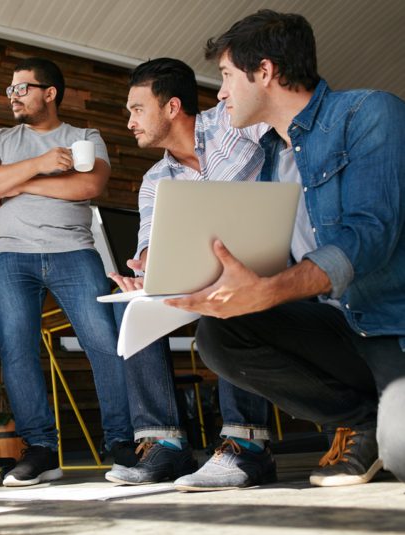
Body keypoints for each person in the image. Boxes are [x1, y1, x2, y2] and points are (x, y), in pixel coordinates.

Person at [166, 10, 405, 491]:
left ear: (266, 72)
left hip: (389, 329)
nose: (221, 93)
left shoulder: (370, 113)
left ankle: (388, 426)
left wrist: (272, 290)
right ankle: (366, 422)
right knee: (220, 333)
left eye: (228, 77)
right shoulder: (275, 155)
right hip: (339, 330)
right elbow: (284, 261)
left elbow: (370, 234)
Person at [104, 58, 273, 486]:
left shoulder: (235, 121)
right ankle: (165, 446)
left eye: (137, 110)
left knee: (234, 292)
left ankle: (246, 446)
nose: (129, 122)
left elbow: (286, 143)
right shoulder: (154, 180)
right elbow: (150, 242)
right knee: (131, 306)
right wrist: (145, 268)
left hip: (263, 265)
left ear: (173, 106)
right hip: (194, 278)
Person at [0, 57, 133, 487]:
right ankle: (40, 451)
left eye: (21, 88)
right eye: (10, 90)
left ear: (50, 93)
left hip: (74, 252)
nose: (13, 96)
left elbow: (89, 187)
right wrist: (40, 165)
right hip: (12, 257)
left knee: (103, 342)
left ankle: (121, 443)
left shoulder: (83, 137)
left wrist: (17, 184)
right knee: (18, 350)